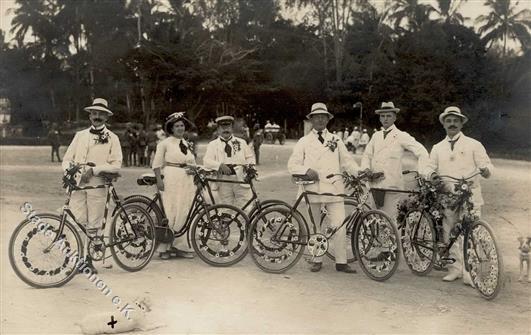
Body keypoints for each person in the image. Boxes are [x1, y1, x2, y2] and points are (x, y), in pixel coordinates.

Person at [287, 102, 359, 274]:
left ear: (328, 119)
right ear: (311, 120)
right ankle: (317, 259)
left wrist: (360, 173)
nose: (320, 119)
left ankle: (341, 262)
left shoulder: (336, 140)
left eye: (323, 116)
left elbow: (347, 162)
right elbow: (292, 164)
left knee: (340, 225)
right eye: (316, 117)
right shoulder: (304, 141)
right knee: (315, 226)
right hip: (312, 190)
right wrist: (306, 170)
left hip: (334, 190)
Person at [426, 106, 493, 285]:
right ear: (444, 124)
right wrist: (431, 175)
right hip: (448, 198)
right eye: (448, 121)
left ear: (462, 123)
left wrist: (486, 171)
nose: (452, 123)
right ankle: (454, 269)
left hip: (470, 197)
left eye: (456, 120)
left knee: (471, 232)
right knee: (449, 233)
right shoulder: (437, 148)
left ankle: (470, 272)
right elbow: (428, 168)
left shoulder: (473, 144)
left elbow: (487, 165)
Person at [62, 98, 122, 273]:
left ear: (106, 117)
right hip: (77, 185)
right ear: (90, 116)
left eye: (101, 114)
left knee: (94, 222)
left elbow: (116, 164)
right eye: (94, 113)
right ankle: (78, 258)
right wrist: (70, 173)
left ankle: (90, 260)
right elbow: (67, 159)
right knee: (77, 220)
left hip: (98, 184)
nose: (97, 117)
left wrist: (94, 170)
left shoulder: (113, 138)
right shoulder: (80, 135)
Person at [361, 101, 429, 225]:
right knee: (374, 220)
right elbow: (367, 155)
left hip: (392, 186)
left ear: (395, 117)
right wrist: (366, 169)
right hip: (374, 185)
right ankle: (377, 244)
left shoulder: (401, 136)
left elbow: (422, 151)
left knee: (391, 222)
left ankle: (394, 244)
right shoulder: (376, 136)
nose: (385, 119)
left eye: (388, 116)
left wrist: (423, 172)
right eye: (382, 116)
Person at [152, 112, 196, 260]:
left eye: (182, 125)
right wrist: (159, 180)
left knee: (185, 211)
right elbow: (156, 164)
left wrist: (193, 169)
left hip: (187, 180)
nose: (180, 128)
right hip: (171, 177)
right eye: (176, 126)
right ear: (171, 128)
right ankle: (165, 248)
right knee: (170, 210)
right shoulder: (164, 143)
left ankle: (180, 247)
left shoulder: (186, 143)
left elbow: (191, 162)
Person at [203, 115, 255, 209]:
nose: (225, 130)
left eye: (228, 127)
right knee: (225, 208)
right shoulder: (213, 145)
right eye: (223, 127)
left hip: (240, 179)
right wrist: (219, 165)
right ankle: (225, 222)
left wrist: (249, 169)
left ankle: (246, 223)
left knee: (246, 207)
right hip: (223, 180)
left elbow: (250, 157)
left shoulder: (241, 142)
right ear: (218, 129)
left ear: (232, 128)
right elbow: (206, 161)